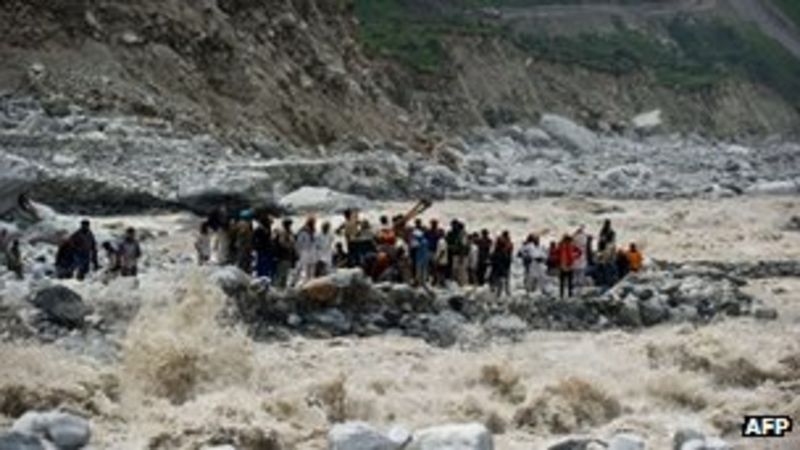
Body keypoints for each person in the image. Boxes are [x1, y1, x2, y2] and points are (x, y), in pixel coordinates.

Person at [556, 234, 582, 299]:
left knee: (563, 282)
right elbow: (579, 252)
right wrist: (575, 256)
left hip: (565, 265)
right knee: (568, 282)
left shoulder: (562, 246)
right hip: (567, 265)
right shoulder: (567, 246)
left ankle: (562, 295)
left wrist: (574, 257)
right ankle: (568, 295)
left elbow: (579, 252)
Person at [293, 217, 318, 285]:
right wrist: (298, 252)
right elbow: (298, 243)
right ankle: (299, 284)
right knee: (303, 270)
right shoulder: (303, 231)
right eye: (313, 222)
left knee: (311, 270)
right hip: (304, 252)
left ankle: (310, 284)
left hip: (312, 253)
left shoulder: (313, 230)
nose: (314, 224)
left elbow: (314, 242)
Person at [489, 231, 513, 297]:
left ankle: (497, 294)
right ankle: (506, 294)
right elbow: (508, 260)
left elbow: (492, 259)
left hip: (498, 268)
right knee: (504, 282)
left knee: (497, 282)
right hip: (503, 268)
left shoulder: (497, 252)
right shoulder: (508, 246)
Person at [274, 219, 295, 288]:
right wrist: (289, 246)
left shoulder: (289, 232)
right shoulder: (283, 232)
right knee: (281, 273)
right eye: (290, 225)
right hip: (283, 256)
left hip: (287, 256)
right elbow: (282, 243)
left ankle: (282, 288)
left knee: (285, 273)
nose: (291, 226)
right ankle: (278, 288)